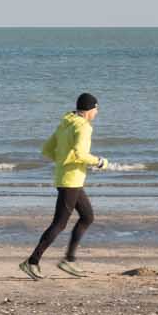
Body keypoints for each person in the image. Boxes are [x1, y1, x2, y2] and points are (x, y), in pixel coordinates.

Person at [19, 92, 110, 279]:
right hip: (71, 181)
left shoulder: (65, 123)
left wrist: (63, 162)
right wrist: (100, 162)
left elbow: (47, 150)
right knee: (59, 224)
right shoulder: (84, 127)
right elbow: (80, 154)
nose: (97, 112)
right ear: (90, 109)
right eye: (96, 109)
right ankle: (32, 262)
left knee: (87, 217)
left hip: (66, 178)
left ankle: (69, 260)